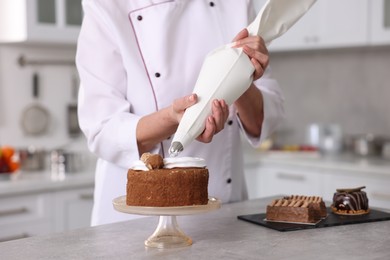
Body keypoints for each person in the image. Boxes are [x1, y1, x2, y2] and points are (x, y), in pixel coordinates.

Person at [76, 0, 284, 226]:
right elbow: (102, 129)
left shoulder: (236, 4)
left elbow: (263, 122)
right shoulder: (108, 5)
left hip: (223, 217)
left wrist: (239, 75)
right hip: (136, 220)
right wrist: (173, 119)